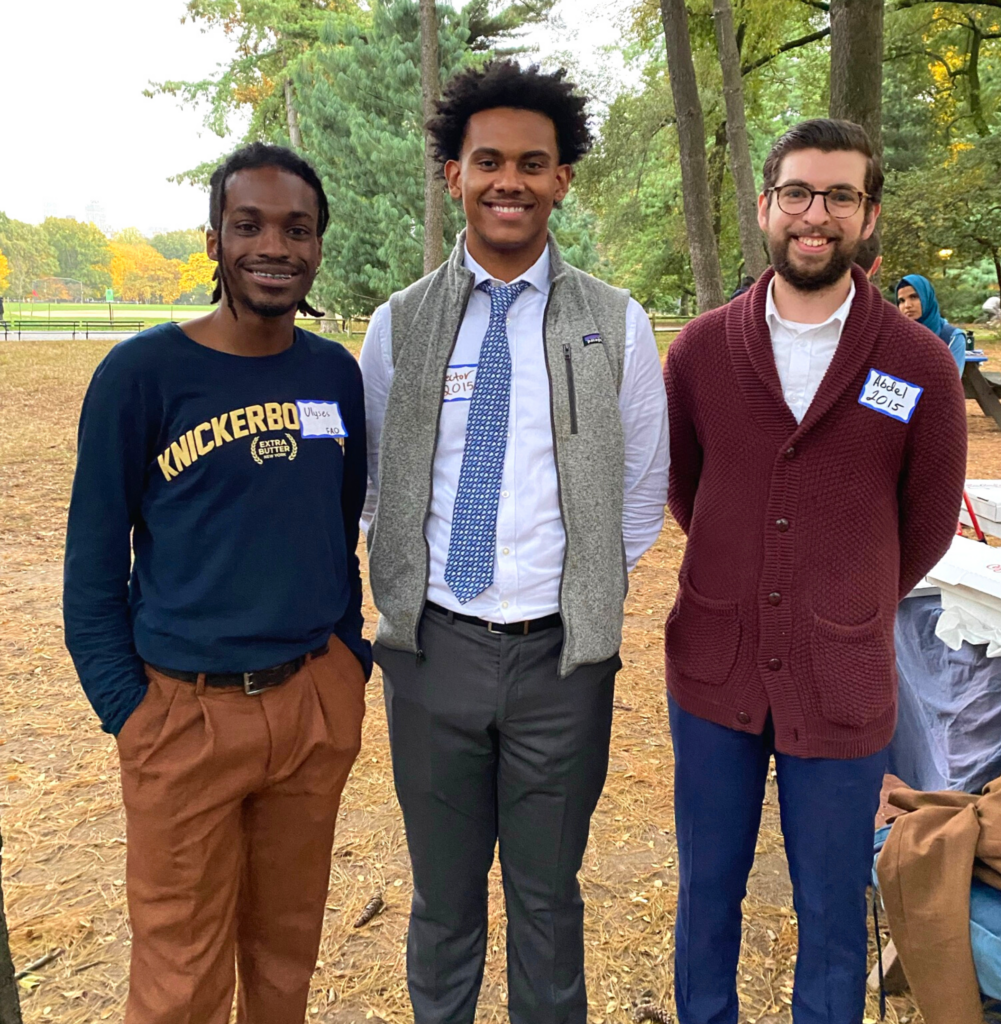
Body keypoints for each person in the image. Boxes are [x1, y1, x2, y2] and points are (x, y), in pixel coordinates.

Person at [360, 60, 669, 1024]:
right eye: (487, 161)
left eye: (533, 164)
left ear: (562, 179)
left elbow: (639, 493)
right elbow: (376, 491)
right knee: (444, 906)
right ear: (452, 173)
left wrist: (575, 603)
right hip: (434, 654)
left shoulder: (613, 324)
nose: (509, 181)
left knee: (547, 900)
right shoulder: (398, 326)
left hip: (562, 669)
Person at [662, 119, 967, 1024]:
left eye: (840, 196)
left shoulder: (916, 366)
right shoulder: (701, 355)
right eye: (797, 192)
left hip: (844, 679)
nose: (815, 214)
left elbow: (925, 523)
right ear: (765, 205)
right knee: (705, 896)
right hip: (714, 671)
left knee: (833, 911)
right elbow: (690, 493)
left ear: (869, 217)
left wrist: (845, 597)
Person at [63, 142, 371, 1024]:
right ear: (213, 241)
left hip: (310, 706)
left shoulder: (332, 374)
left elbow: (337, 527)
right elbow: (91, 569)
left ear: (317, 246)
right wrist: (132, 710)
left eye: (297, 228)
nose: (274, 245)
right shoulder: (143, 375)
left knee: (285, 957)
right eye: (249, 225)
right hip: (183, 716)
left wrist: (345, 662)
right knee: (178, 977)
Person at [895, 274, 967, 375]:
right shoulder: (895, 336)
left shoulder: (951, 337)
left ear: (927, 297)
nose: (907, 305)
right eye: (901, 301)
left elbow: (950, 383)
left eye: (914, 297)